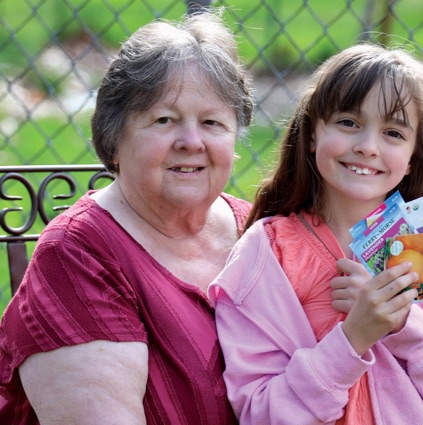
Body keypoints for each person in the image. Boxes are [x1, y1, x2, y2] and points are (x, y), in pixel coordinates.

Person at [208, 43, 423, 424]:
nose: (367, 147)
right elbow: (260, 415)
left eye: (393, 132)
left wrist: (406, 324)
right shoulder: (265, 256)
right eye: (348, 123)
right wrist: (353, 338)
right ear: (311, 134)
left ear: (412, 159)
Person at [0, 10, 253, 425]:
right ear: (114, 138)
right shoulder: (77, 256)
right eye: (165, 120)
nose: (192, 142)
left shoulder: (259, 230)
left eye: (212, 122)